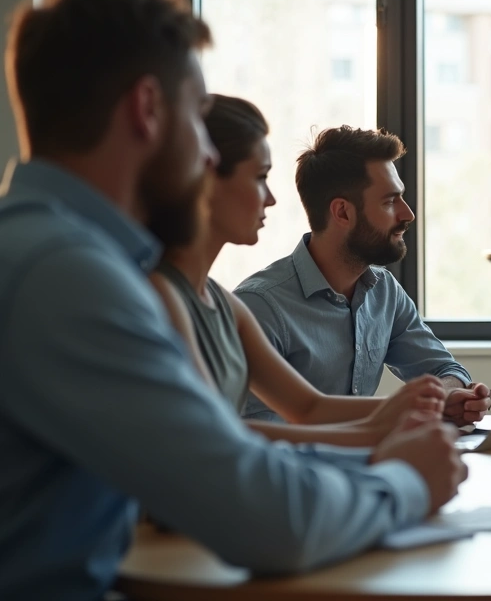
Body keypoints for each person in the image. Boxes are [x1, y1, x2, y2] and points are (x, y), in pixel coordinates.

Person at [0, 0, 465, 599]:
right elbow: (264, 517)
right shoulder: (70, 277)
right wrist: (405, 483)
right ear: (147, 109)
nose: (207, 156)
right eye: (196, 117)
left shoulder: (52, 252)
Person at [150, 94, 446, 446]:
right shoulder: (173, 294)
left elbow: (308, 408)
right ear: (206, 176)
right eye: (260, 177)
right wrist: (384, 436)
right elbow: (214, 437)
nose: (271, 198)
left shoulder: (224, 302)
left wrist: (408, 411)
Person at [234, 125, 490, 426]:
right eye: (389, 201)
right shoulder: (260, 307)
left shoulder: (384, 292)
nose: (408, 214)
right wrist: (402, 418)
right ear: (342, 213)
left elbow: (443, 368)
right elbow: (261, 436)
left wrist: (448, 395)